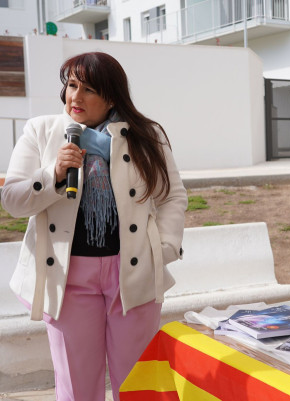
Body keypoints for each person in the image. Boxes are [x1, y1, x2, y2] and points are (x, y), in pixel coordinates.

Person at [1, 52, 188, 401]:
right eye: (72, 86)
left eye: (89, 89)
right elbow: (11, 199)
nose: (76, 97)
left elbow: (172, 196)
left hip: (132, 271)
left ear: (112, 96)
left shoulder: (146, 135)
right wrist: (53, 175)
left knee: (139, 382)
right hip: (68, 276)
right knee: (76, 383)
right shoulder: (42, 131)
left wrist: (161, 250)